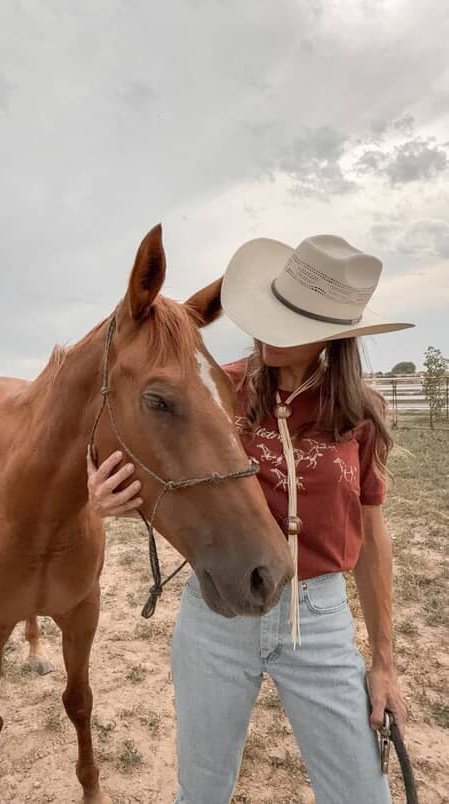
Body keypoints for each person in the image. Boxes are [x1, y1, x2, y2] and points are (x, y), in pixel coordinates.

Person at [86, 234, 414, 804]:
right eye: (268, 310)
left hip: (318, 619)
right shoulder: (222, 388)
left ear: (331, 336)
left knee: (364, 794)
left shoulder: (361, 415)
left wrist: (384, 661)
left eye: (287, 323)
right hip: (214, 617)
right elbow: (150, 446)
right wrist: (103, 493)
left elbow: (373, 539)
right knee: (203, 791)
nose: (265, 330)